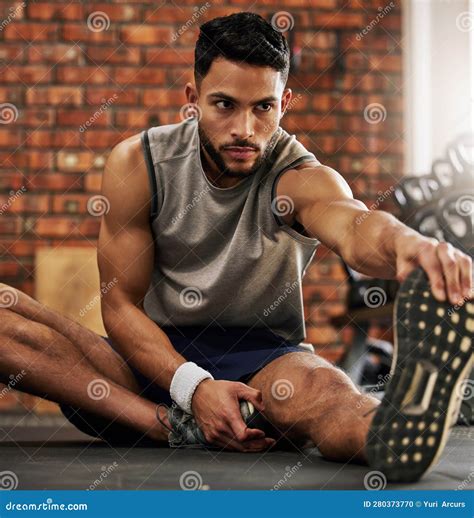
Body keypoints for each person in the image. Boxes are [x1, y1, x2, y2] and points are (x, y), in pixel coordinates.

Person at [0, 12, 471, 483]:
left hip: (264, 370)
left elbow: (354, 226)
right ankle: (171, 426)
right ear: (193, 99)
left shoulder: (301, 176)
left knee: (326, 391)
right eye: (224, 104)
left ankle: (392, 432)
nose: (244, 128)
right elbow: (120, 306)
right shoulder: (140, 162)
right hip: (149, 365)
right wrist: (194, 388)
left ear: (284, 103)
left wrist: (408, 244)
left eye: (263, 108)